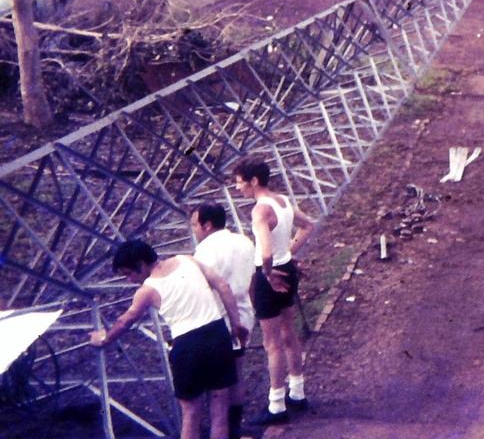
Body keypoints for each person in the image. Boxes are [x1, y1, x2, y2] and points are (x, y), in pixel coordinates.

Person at [89, 239, 246, 439]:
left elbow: (125, 321)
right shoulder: (188, 260)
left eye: (129, 273)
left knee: (190, 414)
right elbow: (222, 285)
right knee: (219, 409)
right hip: (217, 335)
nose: (129, 280)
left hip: (188, 346)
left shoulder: (147, 290)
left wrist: (104, 339)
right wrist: (235, 323)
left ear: (141, 264)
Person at [232, 156, 316, 425]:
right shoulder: (282, 201)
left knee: (272, 343)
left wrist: (267, 274)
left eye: (239, 183)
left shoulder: (260, 211)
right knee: (289, 332)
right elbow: (308, 225)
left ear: (253, 181)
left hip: (270, 276)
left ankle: (276, 405)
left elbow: (265, 252)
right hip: (287, 270)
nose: (237, 189)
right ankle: (297, 392)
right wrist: (288, 255)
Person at [192, 204, 256, 439]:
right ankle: (235, 428)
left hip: (217, 319)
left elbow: (203, 287)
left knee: (217, 383)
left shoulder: (205, 251)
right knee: (238, 371)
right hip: (244, 313)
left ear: (207, 224)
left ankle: (220, 430)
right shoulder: (245, 242)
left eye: (195, 225)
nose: (194, 230)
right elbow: (252, 279)